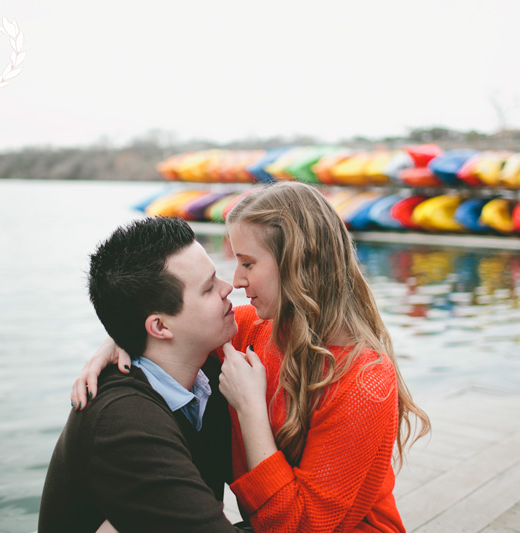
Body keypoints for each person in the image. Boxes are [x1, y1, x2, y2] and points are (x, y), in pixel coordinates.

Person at [72, 181, 431, 532]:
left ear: (298, 264)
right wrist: (120, 338)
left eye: (247, 263)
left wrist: (250, 408)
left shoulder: (364, 380)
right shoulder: (255, 330)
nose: (236, 281)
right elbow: (172, 328)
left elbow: (302, 526)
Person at [40, 216, 244, 532]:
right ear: (160, 327)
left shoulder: (209, 369)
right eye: (208, 288)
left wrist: (119, 335)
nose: (228, 287)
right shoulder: (124, 423)